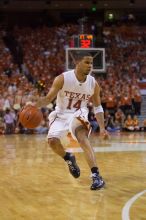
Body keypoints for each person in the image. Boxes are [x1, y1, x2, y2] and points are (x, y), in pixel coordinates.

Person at [35, 53, 109, 190]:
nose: (90, 66)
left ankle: (96, 176)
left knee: (82, 138)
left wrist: (103, 128)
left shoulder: (93, 83)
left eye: (91, 63)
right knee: (52, 141)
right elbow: (48, 98)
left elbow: (98, 107)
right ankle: (68, 157)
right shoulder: (62, 78)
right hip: (61, 113)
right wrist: (34, 105)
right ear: (77, 62)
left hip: (79, 113)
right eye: (87, 62)